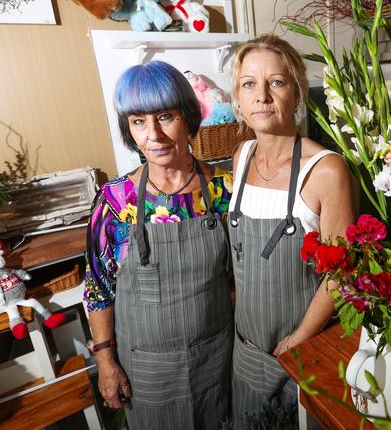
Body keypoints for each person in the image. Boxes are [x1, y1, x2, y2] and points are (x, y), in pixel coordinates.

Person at [84, 61, 233, 429]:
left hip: (217, 356)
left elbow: (237, 277)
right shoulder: (115, 202)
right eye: (138, 121)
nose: (154, 134)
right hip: (148, 369)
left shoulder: (223, 189)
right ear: (128, 128)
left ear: (188, 117)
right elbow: (98, 288)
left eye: (165, 116)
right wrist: (106, 362)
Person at [228, 33, 356, 427]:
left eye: (276, 82)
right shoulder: (241, 155)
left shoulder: (327, 171)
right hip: (245, 351)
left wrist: (301, 337)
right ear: (237, 99)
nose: (262, 95)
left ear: (297, 94)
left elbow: (343, 270)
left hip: (301, 353)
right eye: (249, 84)